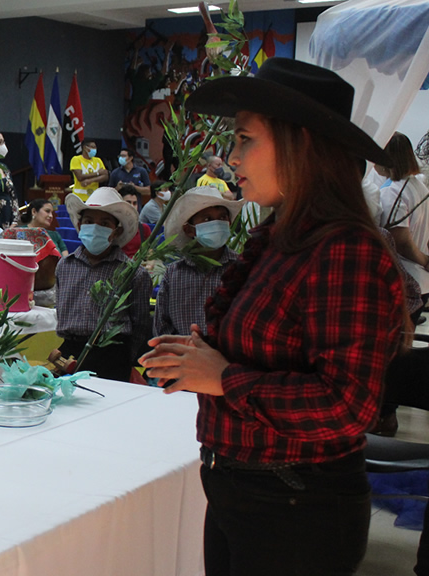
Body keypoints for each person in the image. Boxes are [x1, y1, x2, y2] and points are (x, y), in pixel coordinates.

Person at [141, 58, 408, 576]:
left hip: (295, 505)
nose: (230, 156)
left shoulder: (344, 249)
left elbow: (347, 406)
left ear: (300, 144)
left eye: (245, 140)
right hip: (245, 491)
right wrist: (204, 359)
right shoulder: (283, 237)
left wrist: (223, 378)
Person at [55, 187, 151, 382]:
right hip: (70, 351)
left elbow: (140, 325)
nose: (95, 227)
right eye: (89, 222)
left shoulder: (133, 273)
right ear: (80, 226)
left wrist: (124, 358)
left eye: (105, 223)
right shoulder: (65, 266)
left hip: (113, 356)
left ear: (117, 231)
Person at [153, 187, 244, 337]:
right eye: (207, 219)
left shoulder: (241, 268)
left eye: (222, 217)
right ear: (189, 230)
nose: (217, 223)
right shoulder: (174, 273)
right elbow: (162, 327)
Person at [377, 131, 429, 299]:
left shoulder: (391, 192)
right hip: (421, 281)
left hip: (403, 281)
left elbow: (400, 241)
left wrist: (425, 261)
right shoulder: (419, 187)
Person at [0, 199, 62, 306]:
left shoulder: (55, 235)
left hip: (50, 294)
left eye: (52, 212)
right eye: (47, 211)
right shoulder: (15, 232)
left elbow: (64, 261)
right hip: (17, 290)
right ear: (34, 212)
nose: (51, 215)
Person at [117, 187, 151, 258]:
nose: (132, 206)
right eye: (128, 203)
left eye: (135, 203)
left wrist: (150, 263)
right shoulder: (112, 228)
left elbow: (149, 251)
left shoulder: (144, 228)